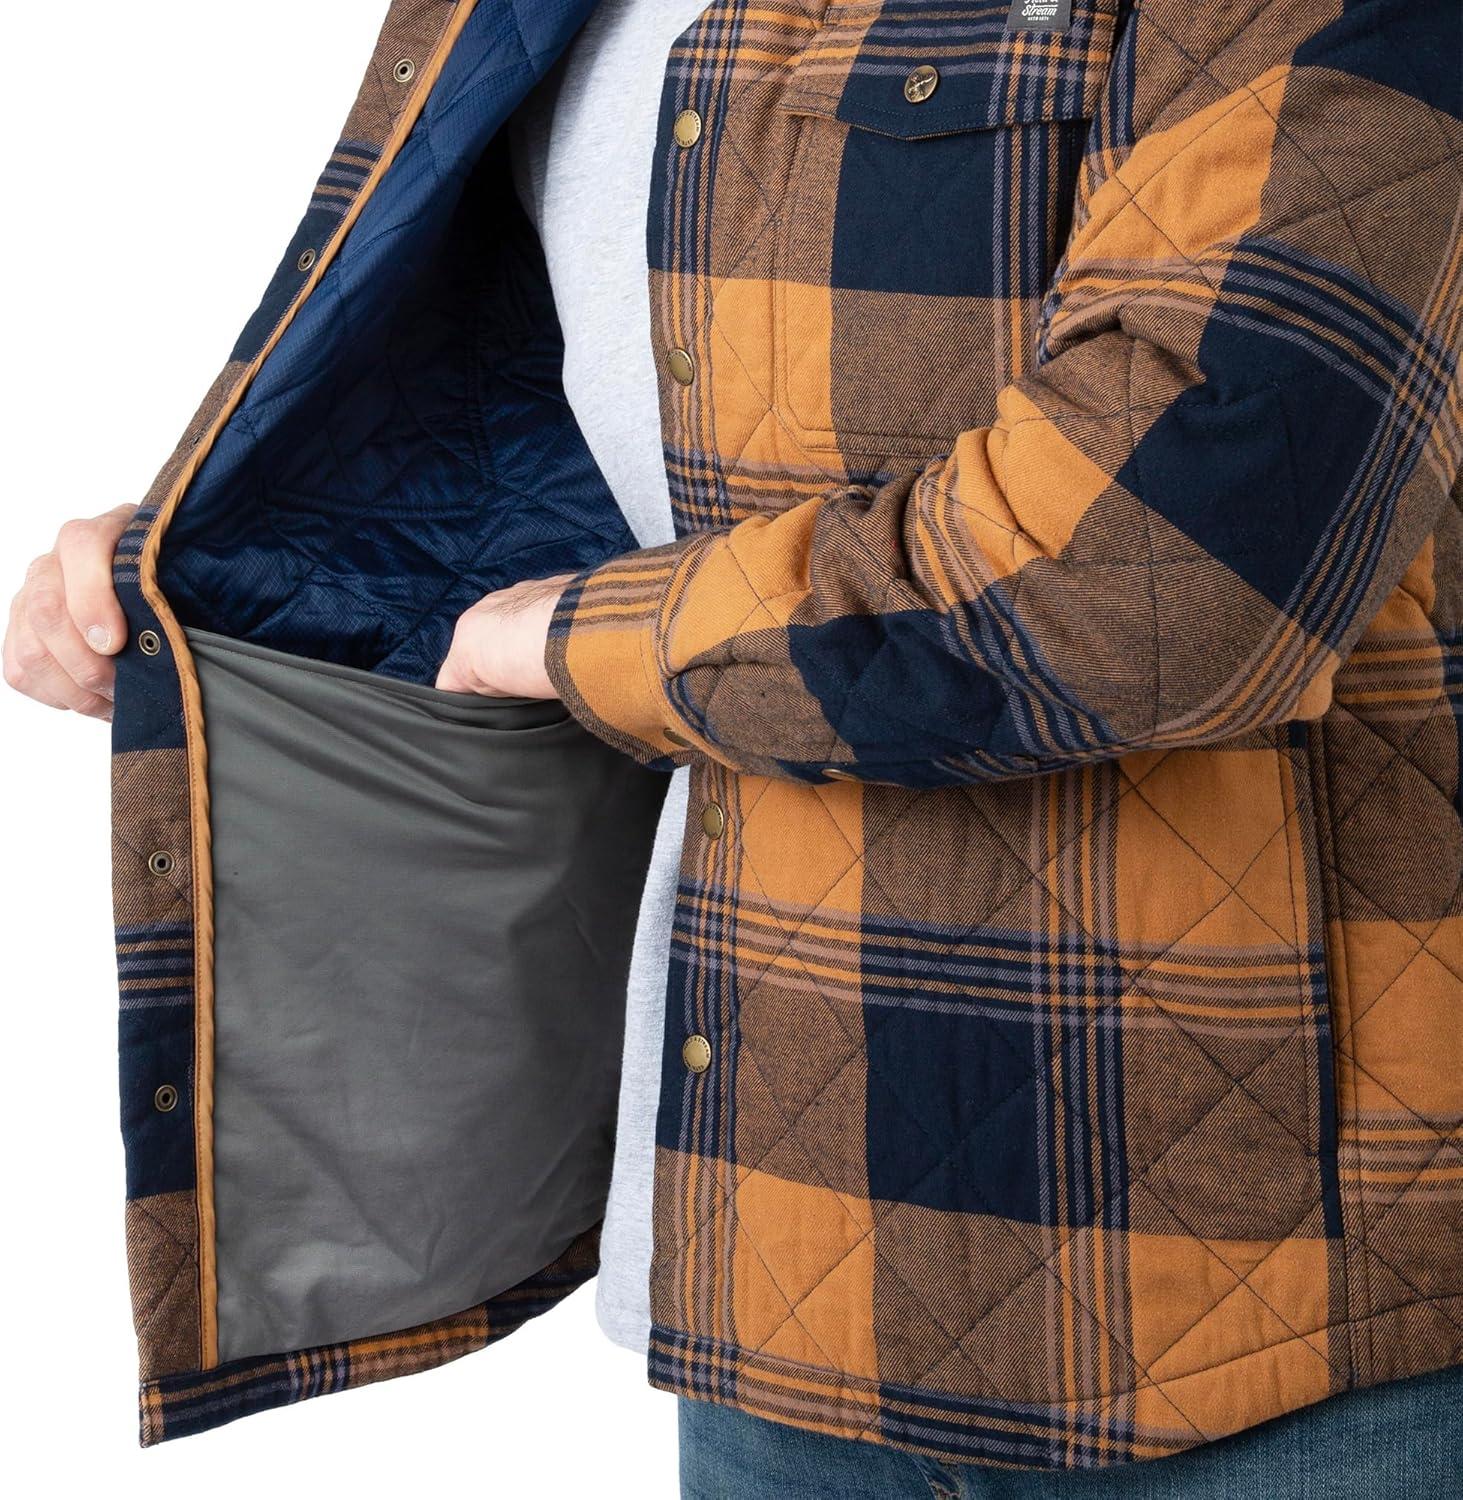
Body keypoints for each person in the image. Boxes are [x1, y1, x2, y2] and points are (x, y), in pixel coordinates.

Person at [6, 1, 1460, 1495]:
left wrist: (581, 639)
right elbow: (587, 465)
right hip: (770, 1254)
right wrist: (221, 594)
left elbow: (1162, 570)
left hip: (1261, 1306)